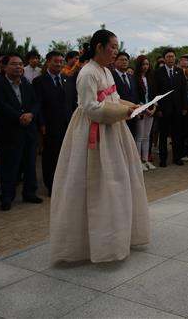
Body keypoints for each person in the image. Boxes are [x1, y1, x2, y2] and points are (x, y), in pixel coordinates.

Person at [50, 29, 149, 263]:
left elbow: (112, 100)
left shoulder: (106, 70)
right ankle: (89, 242)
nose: (116, 51)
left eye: (117, 47)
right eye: (112, 46)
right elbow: (91, 108)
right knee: (95, 185)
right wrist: (125, 112)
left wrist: (133, 106)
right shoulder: (87, 73)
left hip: (113, 129)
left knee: (117, 183)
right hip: (93, 132)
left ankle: (117, 235)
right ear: (99, 47)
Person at [0, 53, 42, 210]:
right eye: (14, 64)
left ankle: (30, 193)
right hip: (10, 131)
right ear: (4, 67)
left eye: (20, 64)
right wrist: (19, 116)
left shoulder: (26, 83)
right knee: (9, 166)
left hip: (29, 130)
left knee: (30, 164)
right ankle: (7, 197)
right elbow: (1, 105)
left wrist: (31, 114)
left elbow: (36, 102)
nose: (19, 66)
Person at [32, 51, 74, 196]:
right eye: (56, 61)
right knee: (51, 156)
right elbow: (38, 104)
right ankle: (51, 184)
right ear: (48, 62)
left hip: (67, 124)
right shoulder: (39, 82)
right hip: (50, 125)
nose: (59, 64)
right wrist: (41, 123)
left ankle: (65, 183)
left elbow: (71, 103)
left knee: (66, 155)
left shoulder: (67, 80)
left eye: (61, 61)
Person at [154, 48, 188, 166]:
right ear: (164, 58)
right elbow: (155, 91)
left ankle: (177, 157)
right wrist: (157, 109)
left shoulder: (179, 71)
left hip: (177, 109)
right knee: (163, 135)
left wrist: (184, 107)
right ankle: (163, 159)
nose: (171, 59)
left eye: (173, 56)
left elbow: (184, 90)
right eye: (168, 56)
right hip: (163, 109)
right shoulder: (158, 72)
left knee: (176, 135)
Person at [133, 55, 156, 171]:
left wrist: (154, 108)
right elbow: (136, 96)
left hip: (150, 110)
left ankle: (145, 159)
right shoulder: (135, 78)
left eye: (147, 64)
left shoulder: (151, 78)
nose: (145, 66)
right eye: (143, 64)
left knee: (147, 136)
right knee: (139, 137)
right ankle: (138, 161)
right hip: (141, 110)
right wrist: (144, 108)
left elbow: (155, 94)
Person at [112, 52, 140, 138]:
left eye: (126, 60)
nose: (124, 62)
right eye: (121, 60)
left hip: (132, 114)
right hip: (119, 114)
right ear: (115, 61)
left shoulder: (131, 77)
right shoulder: (111, 76)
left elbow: (135, 94)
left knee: (132, 138)